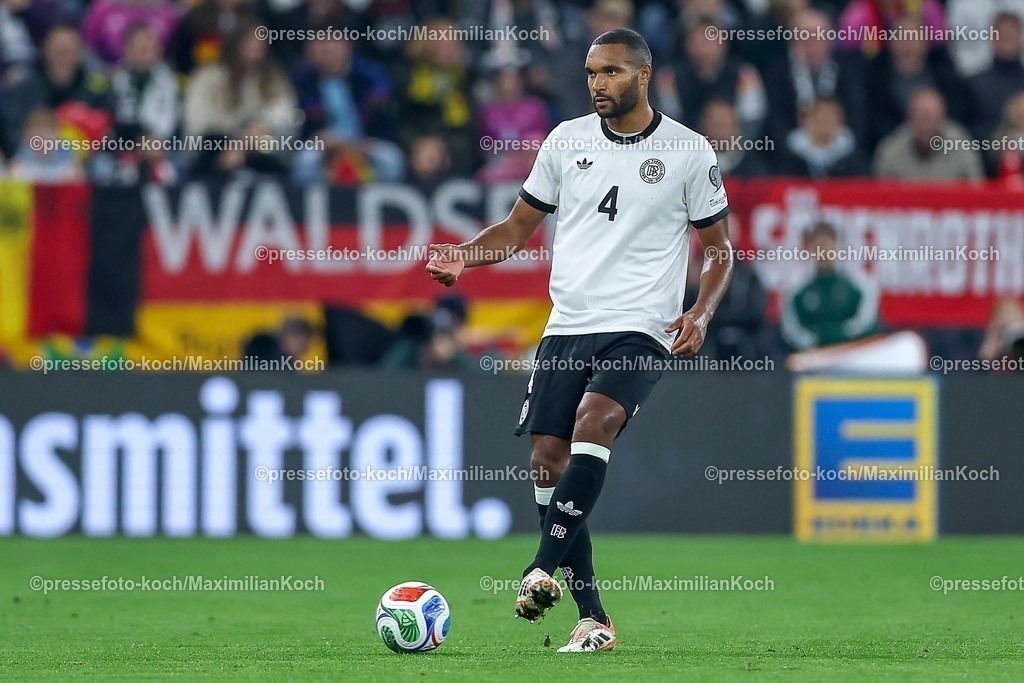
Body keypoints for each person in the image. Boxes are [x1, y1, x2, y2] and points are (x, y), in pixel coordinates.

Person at [425, 28, 733, 653]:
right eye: (592, 72)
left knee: (595, 422)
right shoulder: (565, 142)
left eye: (612, 72)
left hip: (642, 325)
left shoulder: (689, 151)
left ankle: (540, 568)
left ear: (644, 76)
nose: (598, 83)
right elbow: (515, 230)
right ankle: (593, 617)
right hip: (568, 324)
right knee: (546, 456)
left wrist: (700, 312)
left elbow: (720, 248)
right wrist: (464, 254)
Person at [781, 222, 879, 350]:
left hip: (851, 355)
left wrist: (839, 339)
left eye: (827, 245)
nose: (823, 251)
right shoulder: (797, 291)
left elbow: (866, 324)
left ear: (837, 247)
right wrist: (818, 343)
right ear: (810, 248)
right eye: (819, 246)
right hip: (812, 358)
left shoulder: (857, 287)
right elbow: (792, 331)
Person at [873, 88, 984, 180]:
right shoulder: (891, 150)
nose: (927, 121)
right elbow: (881, 197)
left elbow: (976, 191)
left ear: (943, 116)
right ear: (910, 116)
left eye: (932, 116)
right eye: (921, 115)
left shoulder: (961, 146)